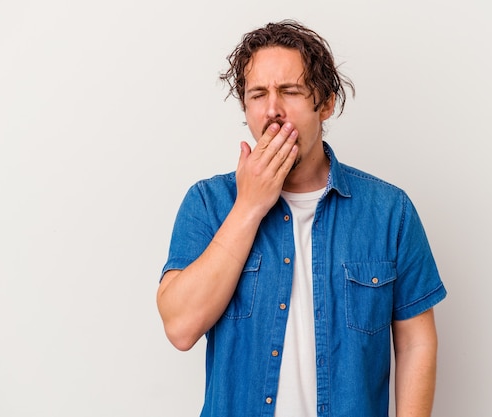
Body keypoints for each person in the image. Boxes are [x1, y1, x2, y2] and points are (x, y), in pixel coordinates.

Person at [157, 20, 447, 417]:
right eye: (257, 94)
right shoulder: (209, 204)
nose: (272, 109)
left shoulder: (389, 211)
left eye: (289, 92)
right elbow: (180, 327)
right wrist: (249, 206)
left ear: (326, 103)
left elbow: (416, 342)